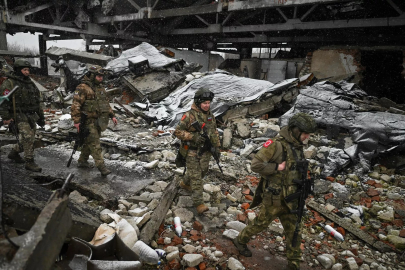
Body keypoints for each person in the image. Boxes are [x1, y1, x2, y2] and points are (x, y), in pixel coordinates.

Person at [232, 112, 317, 270]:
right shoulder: (275, 144)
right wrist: (277, 167)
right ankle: (240, 240)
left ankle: (294, 264)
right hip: (275, 198)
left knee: (294, 231)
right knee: (260, 224)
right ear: (296, 130)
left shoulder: (297, 147)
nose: (307, 137)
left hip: (292, 199)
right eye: (305, 133)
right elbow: (256, 165)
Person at [174, 88, 221, 214]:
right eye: (204, 103)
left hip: (206, 150)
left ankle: (184, 183)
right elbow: (177, 132)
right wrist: (193, 137)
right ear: (198, 102)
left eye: (208, 103)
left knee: (202, 171)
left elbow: (214, 131)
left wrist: (216, 147)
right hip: (191, 150)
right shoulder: (189, 115)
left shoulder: (210, 115)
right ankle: (199, 203)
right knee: (196, 177)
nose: (207, 105)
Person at [71, 65, 117, 176]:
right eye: (98, 76)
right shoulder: (83, 88)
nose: (101, 78)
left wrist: (112, 115)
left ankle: (82, 161)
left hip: (99, 121)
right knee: (95, 144)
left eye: (102, 76)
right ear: (92, 75)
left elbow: (105, 104)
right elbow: (75, 105)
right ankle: (102, 167)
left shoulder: (100, 88)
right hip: (87, 121)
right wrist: (76, 121)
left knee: (88, 142)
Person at [0, 59, 45, 172]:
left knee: (30, 137)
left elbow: (37, 100)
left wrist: (41, 117)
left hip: (31, 115)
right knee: (28, 137)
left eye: (28, 70)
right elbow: (4, 102)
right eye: (24, 70)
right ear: (18, 70)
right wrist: (6, 118)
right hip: (18, 115)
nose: (27, 72)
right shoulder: (9, 83)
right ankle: (29, 162)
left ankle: (14, 152)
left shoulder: (30, 83)